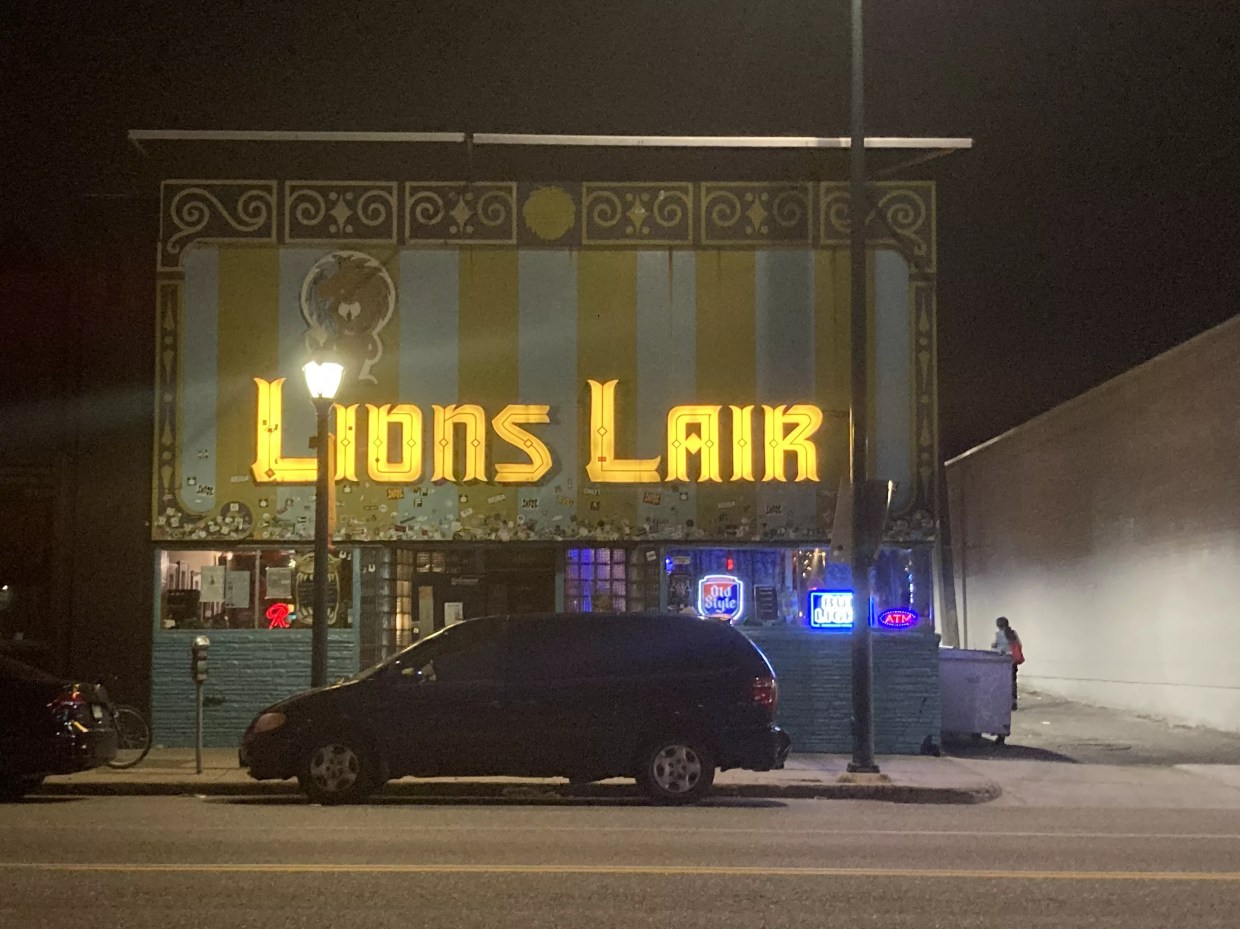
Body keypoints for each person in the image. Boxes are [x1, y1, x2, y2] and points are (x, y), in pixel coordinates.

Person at [992, 616, 1024, 710]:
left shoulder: (997, 635)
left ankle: (1004, 701)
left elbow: (995, 647)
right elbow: (1020, 644)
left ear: (998, 625)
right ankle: (1013, 702)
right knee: (1013, 681)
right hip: (1012, 660)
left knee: (1003, 681)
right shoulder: (1013, 633)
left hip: (1002, 661)